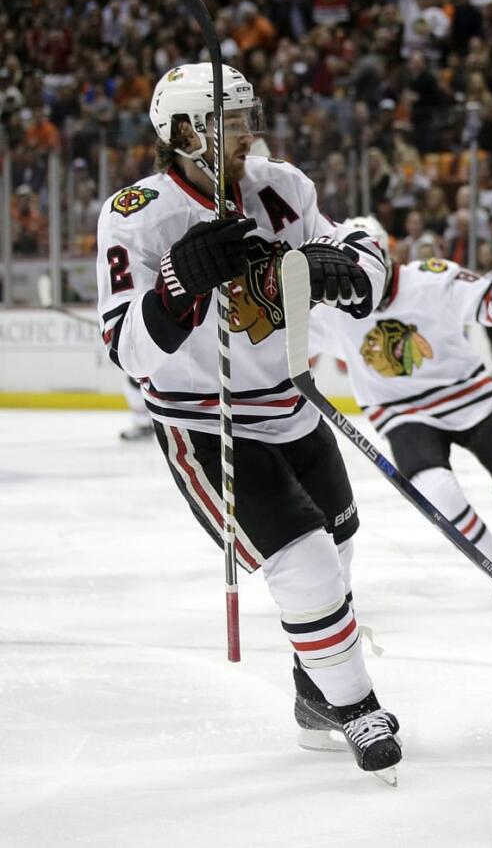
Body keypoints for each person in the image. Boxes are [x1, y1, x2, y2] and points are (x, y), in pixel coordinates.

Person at [95, 64, 401, 781]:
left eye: (244, 117)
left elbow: (355, 261)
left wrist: (346, 274)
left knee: (342, 546)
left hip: (291, 401)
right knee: (305, 561)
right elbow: (127, 352)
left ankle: (317, 692)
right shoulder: (136, 212)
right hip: (208, 419)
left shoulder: (283, 187)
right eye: (227, 122)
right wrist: (177, 284)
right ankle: (357, 706)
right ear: (181, 134)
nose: (245, 133)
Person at [310, 218, 492, 599]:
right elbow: (277, 334)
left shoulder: (432, 279)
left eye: (368, 262)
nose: (361, 277)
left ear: (386, 254)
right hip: (402, 415)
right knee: (437, 491)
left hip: (470, 398)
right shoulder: (332, 306)